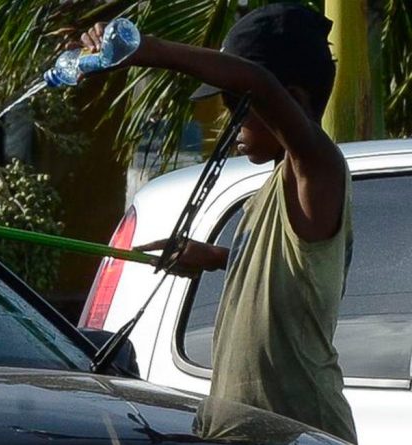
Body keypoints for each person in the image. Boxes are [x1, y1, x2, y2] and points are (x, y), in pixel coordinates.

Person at [75, 3, 357, 443]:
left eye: (235, 104)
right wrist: (218, 257)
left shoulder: (318, 170)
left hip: (301, 432)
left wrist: (149, 50)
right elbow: (293, 273)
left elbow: (258, 83)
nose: (230, 121)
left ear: (292, 101)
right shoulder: (273, 191)